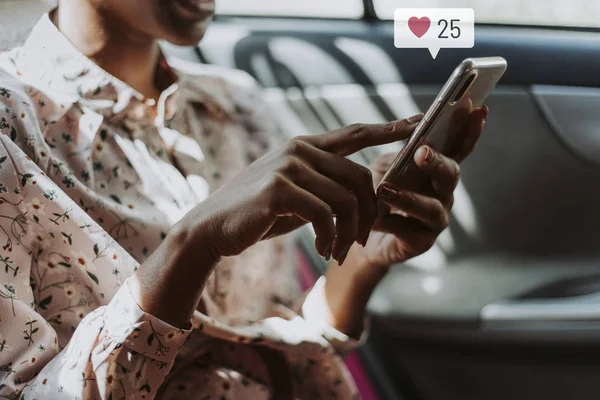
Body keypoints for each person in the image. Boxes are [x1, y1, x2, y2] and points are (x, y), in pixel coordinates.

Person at [0, 0, 487, 399]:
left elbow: (285, 340)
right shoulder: (12, 131)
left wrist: (361, 261)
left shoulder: (238, 106)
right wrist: (194, 245)